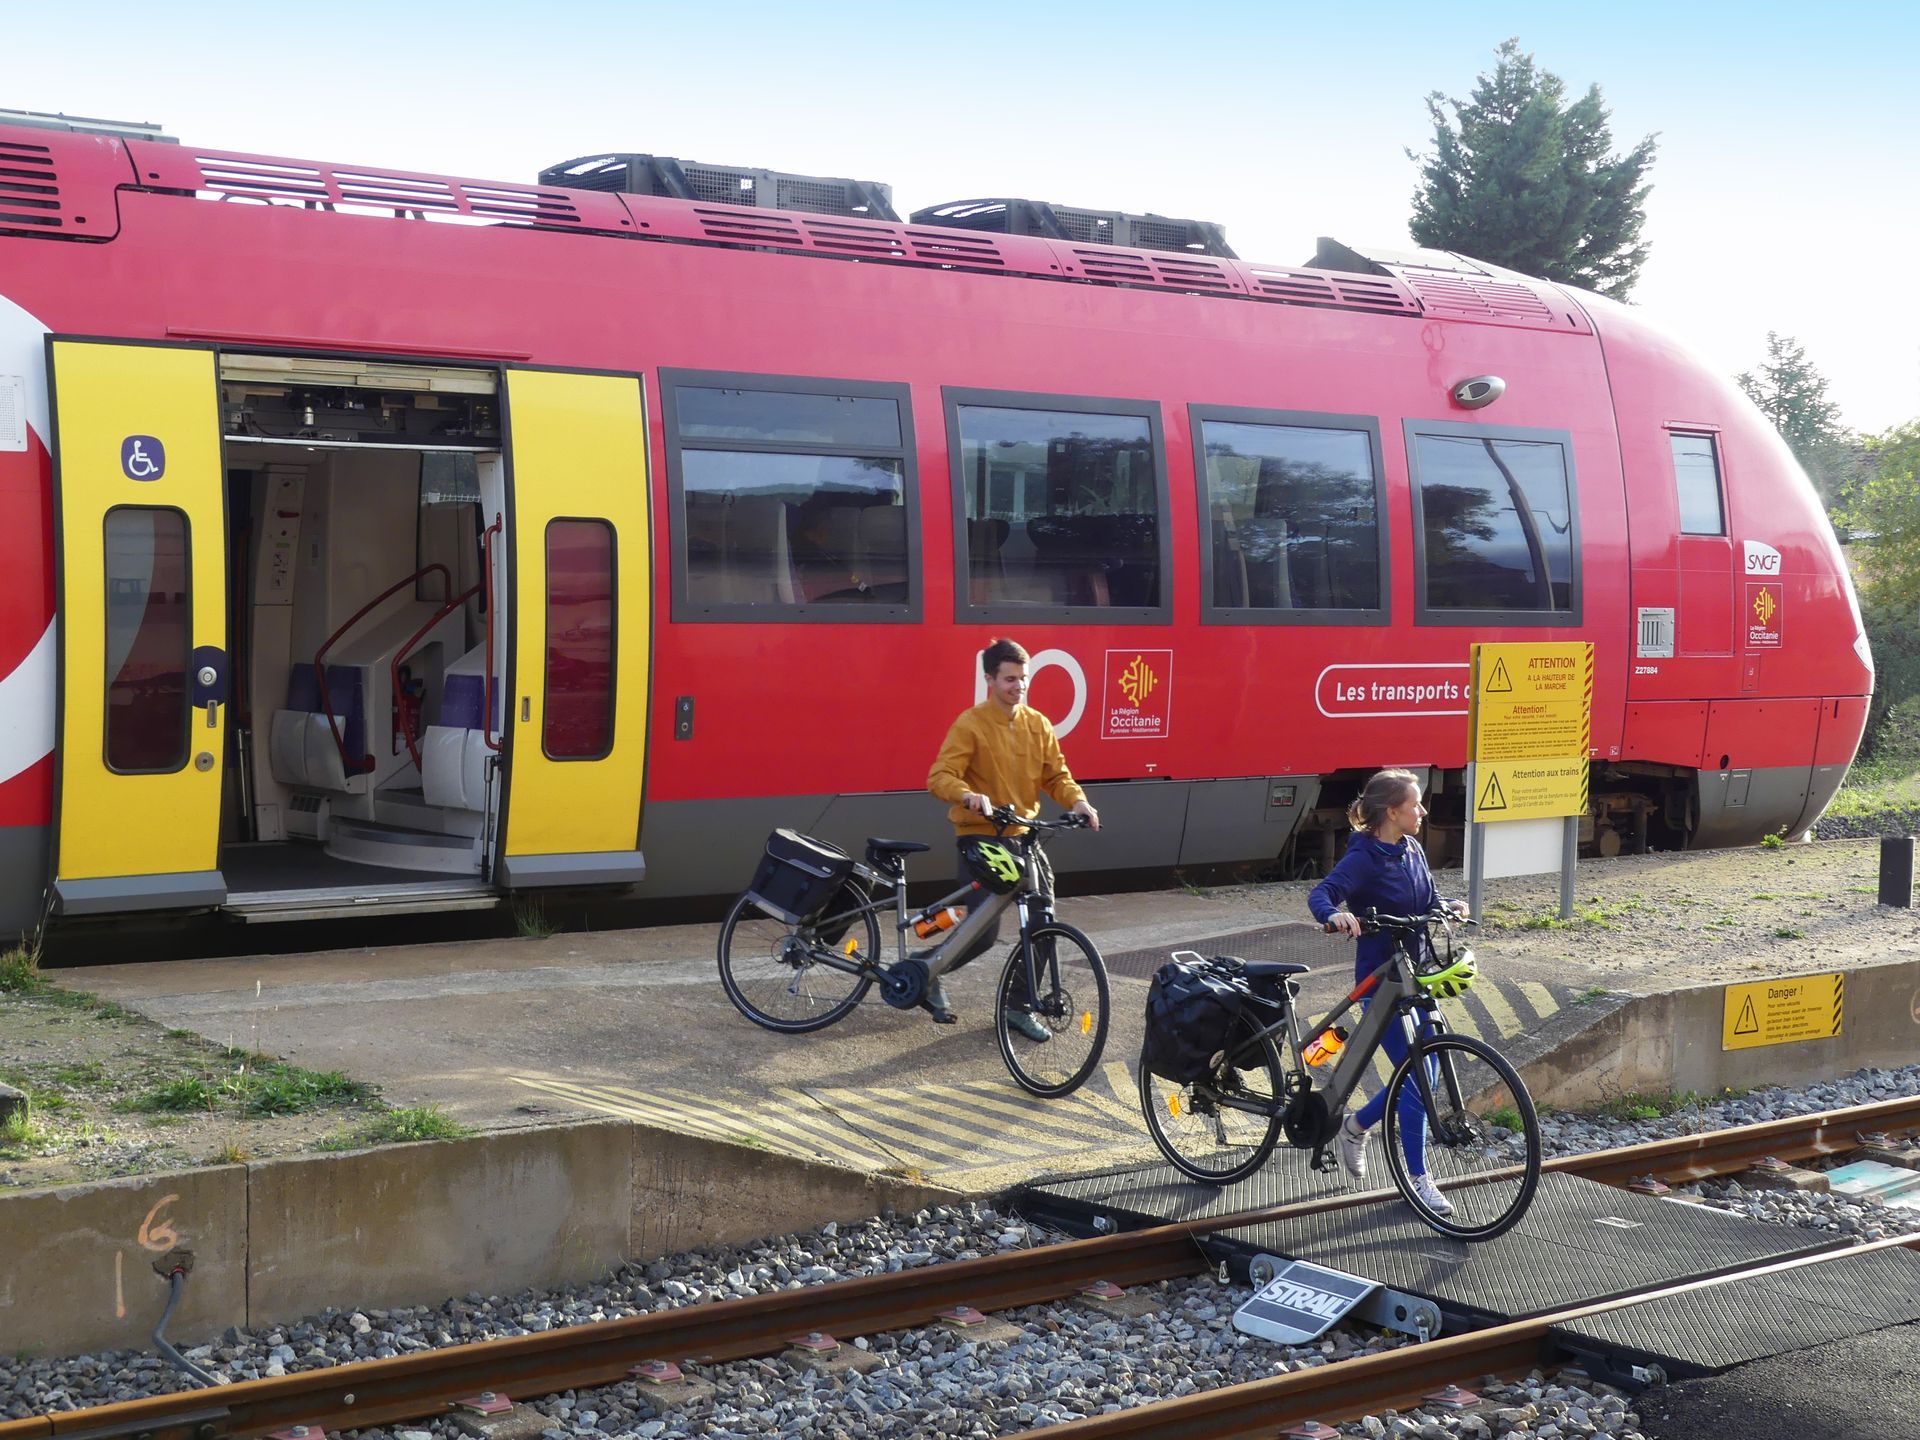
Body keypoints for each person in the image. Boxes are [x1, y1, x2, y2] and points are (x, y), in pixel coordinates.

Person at [1307, 768, 1469, 1217]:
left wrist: (1448, 907)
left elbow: (1427, 898)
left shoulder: (1412, 848)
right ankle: (1417, 1179)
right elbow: (1323, 893)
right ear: (1392, 811)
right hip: (1379, 983)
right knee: (1419, 1075)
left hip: (1414, 975)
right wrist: (1334, 916)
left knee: (1425, 1071)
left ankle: (1356, 1126)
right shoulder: (1364, 857)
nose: (1422, 811)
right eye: (1415, 804)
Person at [926, 637, 1100, 1033]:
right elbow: (939, 777)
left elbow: (1056, 775)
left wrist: (1078, 802)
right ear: (989, 679)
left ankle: (1018, 1006)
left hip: (1024, 839)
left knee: (1043, 922)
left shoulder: (1037, 724)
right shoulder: (971, 723)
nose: (1018, 686)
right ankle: (928, 969)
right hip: (982, 840)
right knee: (983, 934)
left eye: (1023, 678)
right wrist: (967, 795)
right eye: (1009, 679)